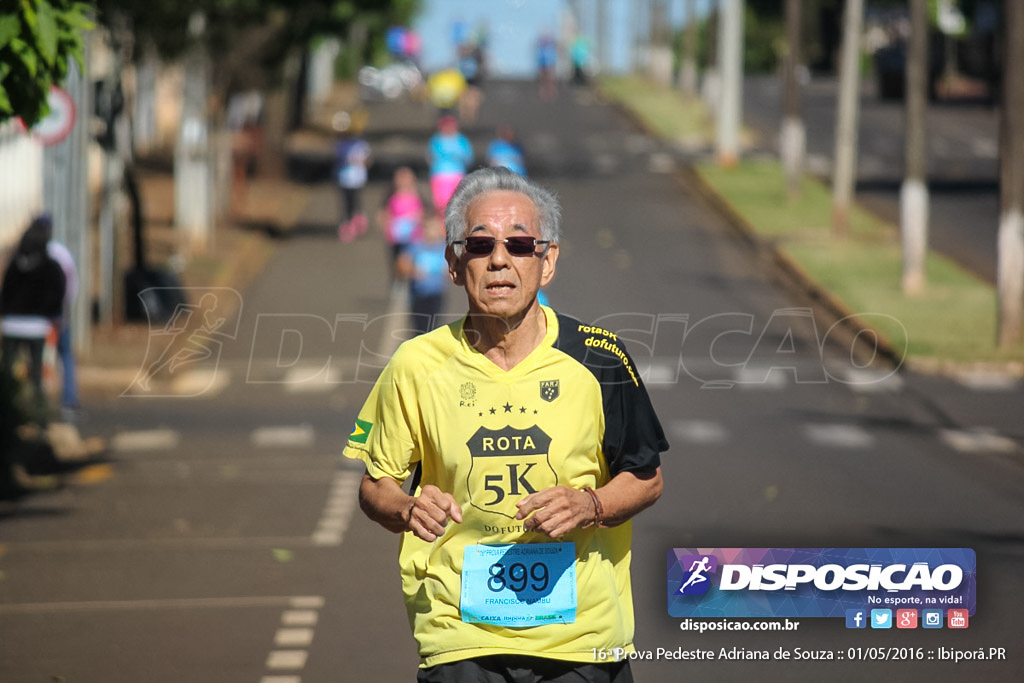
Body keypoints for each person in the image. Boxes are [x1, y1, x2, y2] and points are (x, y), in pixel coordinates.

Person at [344, 167, 667, 681]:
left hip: (580, 640)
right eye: (479, 244)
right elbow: (374, 486)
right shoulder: (414, 364)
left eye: (519, 244)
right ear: (454, 262)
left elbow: (646, 477)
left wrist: (591, 504)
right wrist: (407, 507)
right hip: (459, 635)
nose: (499, 259)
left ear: (548, 261)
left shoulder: (599, 358)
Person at [0, 216, 66, 422]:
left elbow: (6, 293)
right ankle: (39, 416)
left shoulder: (14, 264)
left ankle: (7, 414)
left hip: (11, 325)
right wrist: (51, 315)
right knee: (37, 374)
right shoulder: (51, 266)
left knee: (7, 373)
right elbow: (58, 293)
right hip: (37, 327)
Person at [46, 226, 80, 421]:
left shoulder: (27, 253)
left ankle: (35, 404)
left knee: (37, 361)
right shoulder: (62, 254)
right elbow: (72, 287)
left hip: (36, 319)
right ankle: (69, 400)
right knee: (66, 354)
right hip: (59, 315)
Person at [396, 216, 448, 336]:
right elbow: (401, 265)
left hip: (437, 294)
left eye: (435, 228)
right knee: (420, 329)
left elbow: (453, 266)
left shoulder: (443, 247)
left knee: (435, 328)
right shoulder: (416, 246)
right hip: (419, 295)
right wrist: (414, 271)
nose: (432, 231)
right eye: (429, 228)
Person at [378, 166, 427, 279]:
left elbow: (426, 214)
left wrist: (416, 219)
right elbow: (383, 216)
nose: (403, 181)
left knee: (412, 265)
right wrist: (388, 225)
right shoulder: (391, 197)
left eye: (406, 177)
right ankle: (398, 284)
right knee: (396, 264)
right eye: (401, 177)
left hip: (414, 238)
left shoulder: (418, 195)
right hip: (396, 239)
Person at [426, 115, 474, 218]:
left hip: (457, 175)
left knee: (458, 203)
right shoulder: (436, 140)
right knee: (441, 205)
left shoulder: (462, 140)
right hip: (439, 176)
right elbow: (430, 157)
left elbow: (468, 158)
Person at [334, 114, 371, 242]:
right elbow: (338, 159)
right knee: (346, 202)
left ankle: (357, 218)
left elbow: (368, 161)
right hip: (344, 178)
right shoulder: (340, 144)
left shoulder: (361, 144)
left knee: (356, 199)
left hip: (357, 178)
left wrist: (360, 160)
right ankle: (347, 223)